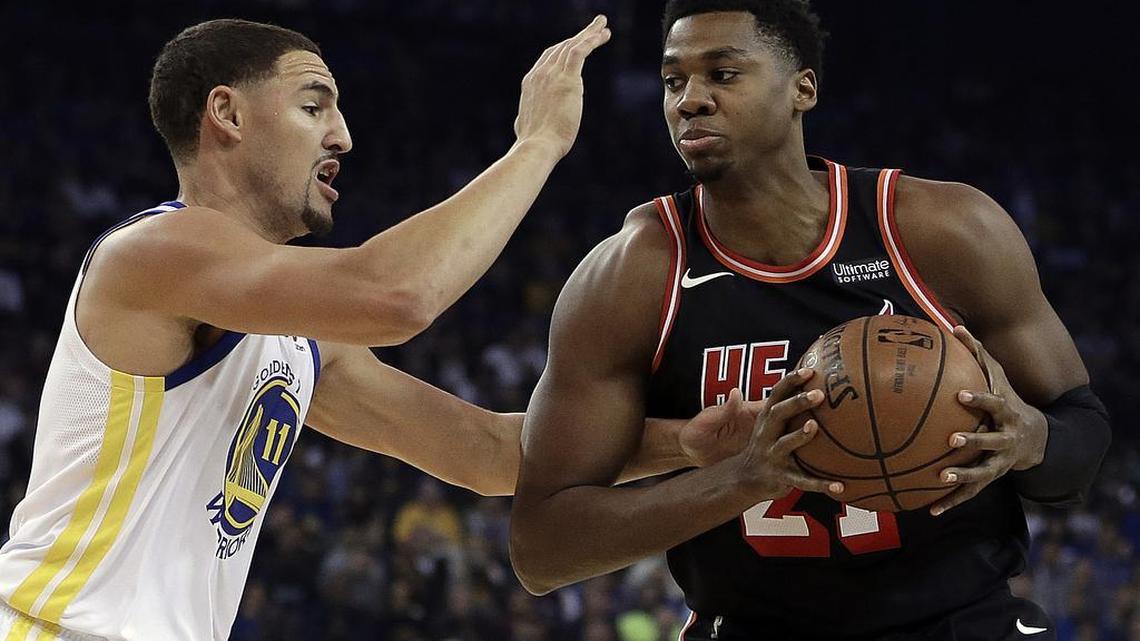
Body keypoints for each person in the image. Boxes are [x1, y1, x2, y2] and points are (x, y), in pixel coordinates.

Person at [0, 17, 751, 641]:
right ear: (227, 115)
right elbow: (398, 295)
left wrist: (678, 442)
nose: (345, 136)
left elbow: (488, 452)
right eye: (313, 105)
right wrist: (538, 144)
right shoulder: (154, 254)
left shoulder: (296, 337)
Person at [509, 1, 1112, 639]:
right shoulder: (630, 277)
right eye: (674, 80)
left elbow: (1082, 437)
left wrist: (1031, 441)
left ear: (804, 88)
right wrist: (740, 480)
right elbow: (543, 549)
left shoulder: (943, 231)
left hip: (963, 620)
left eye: (723, 74)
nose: (690, 100)